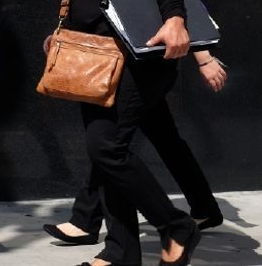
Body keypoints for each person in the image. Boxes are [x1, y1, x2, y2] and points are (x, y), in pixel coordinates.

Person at [43, 0, 201, 266]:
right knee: (106, 152)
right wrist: (64, 33)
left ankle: (174, 225)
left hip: (137, 52)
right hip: (95, 56)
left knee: (107, 145)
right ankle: (120, 253)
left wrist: (175, 18)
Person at [44, 47, 227, 246]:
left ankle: (86, 220)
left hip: (145, 63)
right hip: (135, 59)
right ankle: (205, 208)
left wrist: (205, 58)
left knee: (108, 143)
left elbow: (182, 15)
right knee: (164, 139)